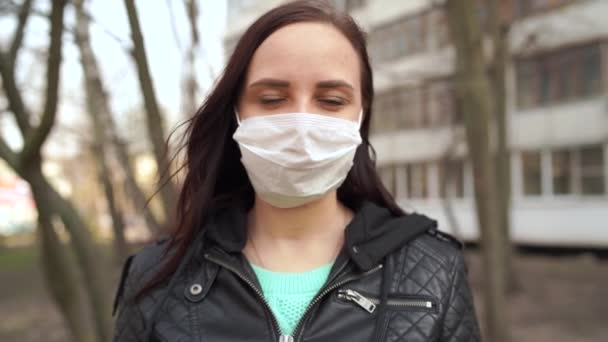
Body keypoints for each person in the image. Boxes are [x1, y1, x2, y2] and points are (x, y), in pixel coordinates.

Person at [112, 1, 481, 341]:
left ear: (361, 115)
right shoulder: (156, 278)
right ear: (236, 113)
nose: (301, 123)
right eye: (272, 99)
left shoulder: (434, 271)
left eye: (331, 101)